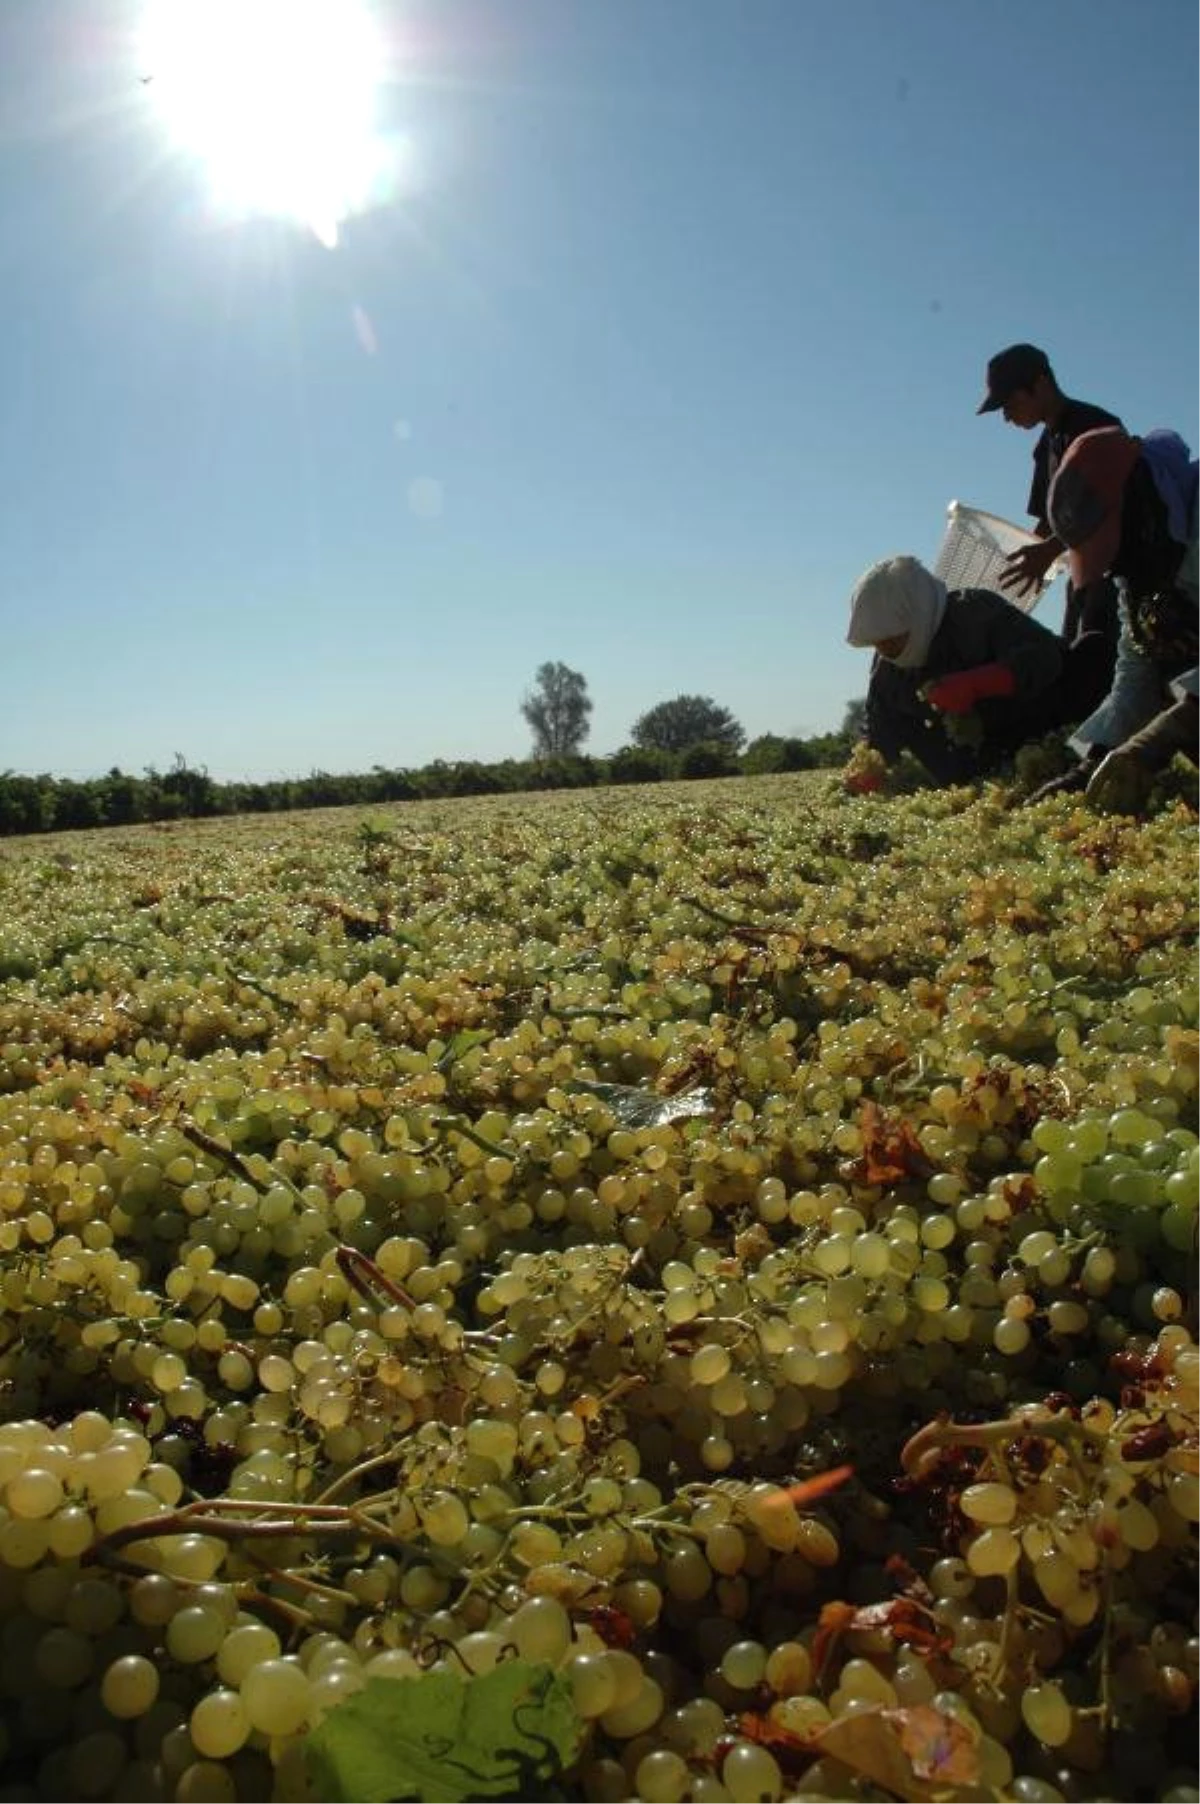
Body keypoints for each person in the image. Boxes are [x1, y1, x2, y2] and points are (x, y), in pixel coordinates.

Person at [1031, 424, 1200, 811]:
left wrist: (1168, 731)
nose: (1116, 565)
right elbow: (1136, 667)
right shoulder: (1141, 566)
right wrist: (1094, 759)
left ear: (1136, 498)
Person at [845, 554, 1114, 789]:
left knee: (1093, 653)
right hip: (980, 765)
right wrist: (870, 766)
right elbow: (879, 729)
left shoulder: (973, 613)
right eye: (878, 643)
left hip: (1040, 727)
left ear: (918, 614)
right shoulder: (888, 671)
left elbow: (1043, 657)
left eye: (892, 639)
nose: (886, 650)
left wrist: (978, 684)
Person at [977, 343, 1122, 647]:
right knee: (1075, 662)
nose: (1007, 417)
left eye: (1010, 403)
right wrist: (1023, 561)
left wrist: (1047, 551)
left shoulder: (1094, 428)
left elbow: (1107, 505)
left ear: (1041, 384)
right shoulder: (1046, 447)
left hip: (1119, 577)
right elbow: (1048, 520)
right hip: (1083, 579)